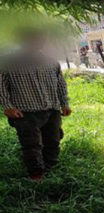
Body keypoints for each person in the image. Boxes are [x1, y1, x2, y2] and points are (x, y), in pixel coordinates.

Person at [0, 28, 71, 181]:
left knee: (53, 140)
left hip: (52, 109)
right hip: (25, 112)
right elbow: (1, 85)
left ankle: (50, 167)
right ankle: (36, 174)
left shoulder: (51, 61)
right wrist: (7, 106)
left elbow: (60, 83)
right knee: (31, 144)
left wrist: (64, 103)